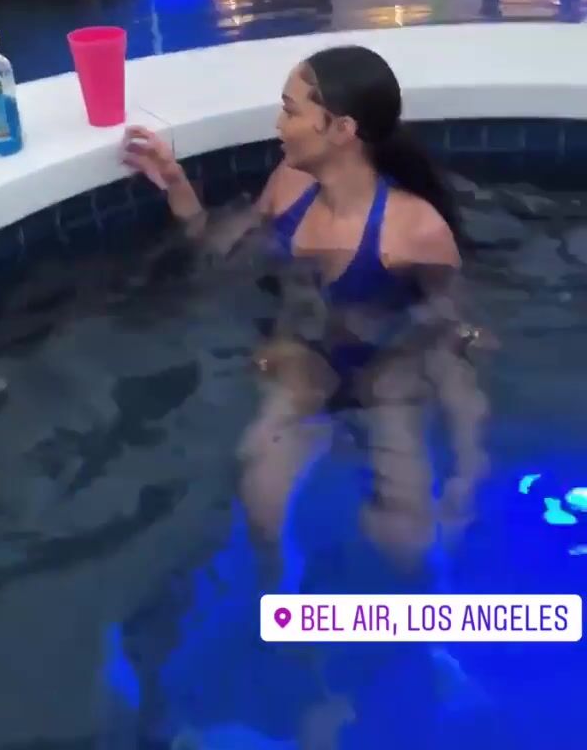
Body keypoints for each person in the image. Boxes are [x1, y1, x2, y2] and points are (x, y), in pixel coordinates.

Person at [122, 45, 489, 567]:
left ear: (341, 129)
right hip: (302, 360)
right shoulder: (289, 185)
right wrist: (175, 182)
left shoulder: (415, 231)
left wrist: (468, 472)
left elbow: (454, 336)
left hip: (389, 372)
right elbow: (215, 247)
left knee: (406, 535)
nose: (279, 124)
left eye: (291, 110)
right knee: (261, 500)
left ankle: (428, 610)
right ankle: (285, 599)